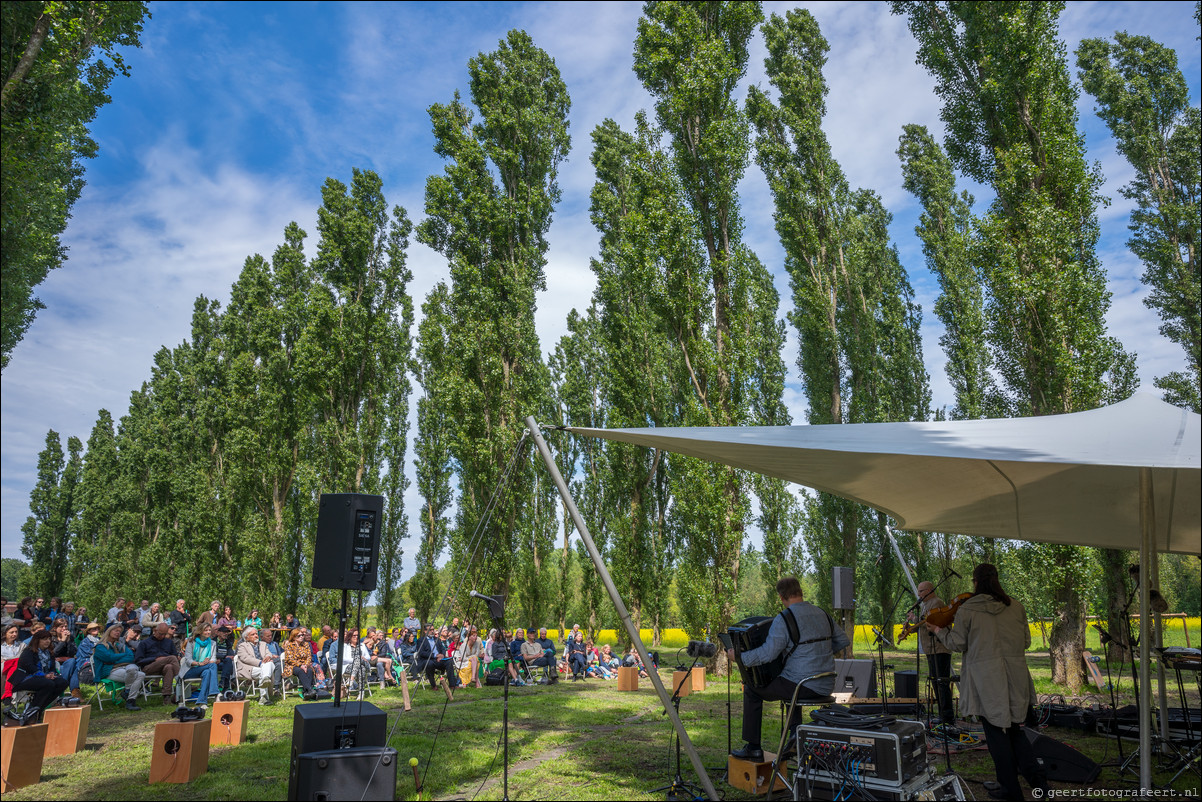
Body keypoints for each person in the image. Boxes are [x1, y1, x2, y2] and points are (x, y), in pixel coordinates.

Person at [928, 563, 1047, 800]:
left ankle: (1011, 791)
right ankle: (1039, 784)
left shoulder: (967, 609)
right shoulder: (1016, 606)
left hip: (986, 679)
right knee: (1015, 730)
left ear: (975, 582)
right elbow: (1026, 642)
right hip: (1015, 675)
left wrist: (938, 630)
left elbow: (957, 643)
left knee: (995, 735)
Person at [727, 576, 850, 763]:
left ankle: (753, 748)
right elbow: (842, 640)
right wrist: (819, 653)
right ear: (800, 592)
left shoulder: (784, 618)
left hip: (802, 684)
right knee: (789, 684)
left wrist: (739, 657)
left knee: (752, 689)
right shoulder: (822, 613)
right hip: (826, 683)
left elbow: (768, 654)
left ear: (781, 597)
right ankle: (794, 735)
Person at [907, 580, 956, 724]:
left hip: (940, 648)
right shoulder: (925, 605)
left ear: (929, 590)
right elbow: (923, 625)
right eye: (918, 591)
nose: (919, 594)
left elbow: (933, 621)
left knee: (941, 683)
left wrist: (919, 620)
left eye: (921, 591)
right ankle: (942, 714)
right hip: (931, 649)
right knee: (936, 682)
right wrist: (913, 621)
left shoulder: (937, 603)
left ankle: (947, 717)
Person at [8, 630, 69, 723]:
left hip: (43, 679)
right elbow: (29, 667)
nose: (48, 641)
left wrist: (52, 674)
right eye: (44, 639)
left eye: (49, 639)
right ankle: (32, 710)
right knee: (48, 684)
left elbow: (52, 667)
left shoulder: (49, 653)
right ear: (37, 640)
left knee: (62, 682)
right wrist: (44, 675)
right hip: (25, 678)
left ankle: (39, 708)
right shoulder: (29, 651)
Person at [95, 624, 145, 710]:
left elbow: (131, 657)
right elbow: (108, 658)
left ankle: (128, 696)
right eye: (115, 630)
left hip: (125, 668)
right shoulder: (100, 646)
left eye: (119, 631)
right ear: (109, 631)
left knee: (141, 674)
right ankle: (130, 698)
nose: (118, 633)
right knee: (136, 673)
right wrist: (123, 655)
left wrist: (115, 659)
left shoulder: (119, 645)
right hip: (109, 670)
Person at [135, 623, 181, 704]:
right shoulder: (144, 643)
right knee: (172, 658)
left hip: (164, 667)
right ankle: (181, 682)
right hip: (149, 667)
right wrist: (155, 659)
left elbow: (175, 654)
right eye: (160, 634)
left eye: (164, 634)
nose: (162, 636)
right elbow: (138, 660)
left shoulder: (169, 642)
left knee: (169, 667)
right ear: (155, 630)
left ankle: (166, 697)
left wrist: (164, 659)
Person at [180, 622, 220, 709]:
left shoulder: (212, 643)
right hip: (190, 670)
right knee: (212, 667)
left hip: (205, 668)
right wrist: (199, 663)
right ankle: (215, 692)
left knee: (207, 672)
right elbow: (188, 660)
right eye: (206, 630)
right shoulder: (191, 642)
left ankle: (202, 702)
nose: (208, 632)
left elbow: (213, 659)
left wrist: (207, 661)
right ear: (201, 631)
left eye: (209, 630)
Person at [236, 627, 281, 704]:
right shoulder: (242, 646)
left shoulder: (263, 644)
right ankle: (264, 691)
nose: (256, 636)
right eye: (253, 634)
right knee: (266, 668)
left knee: (269, 663)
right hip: (248, 668)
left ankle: (263, 697)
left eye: (256, 634)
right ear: (247, 637)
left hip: (263, 667)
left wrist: (268, 657)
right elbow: (245, 658)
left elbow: (268, 653)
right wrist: (260, 663)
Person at [414, 623, 456, 690]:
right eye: (430, 630)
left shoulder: (437, 639)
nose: (432, 631)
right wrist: (435, 656)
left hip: (439, 660)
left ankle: (452, 685)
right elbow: (421, 653)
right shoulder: (421, 640)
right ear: (425, 631)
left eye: (433, 629)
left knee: (449, 662)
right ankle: (433, 685)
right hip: (427, 660)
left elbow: (442, 649)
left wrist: (442, 655)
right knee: (429, 664)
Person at [283, 628, 320, 698]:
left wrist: (305, 665)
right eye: (299, 636)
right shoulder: (289, 645)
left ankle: (306, 693)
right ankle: (309, 690)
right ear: (294, 637)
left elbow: (309, 656)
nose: (301, 637)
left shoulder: (306, 644)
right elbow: (290, 659)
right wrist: (300, 665)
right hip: (292, 666)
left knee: (309, 670)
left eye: (302, 635)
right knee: (300, 671)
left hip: (305, 665)